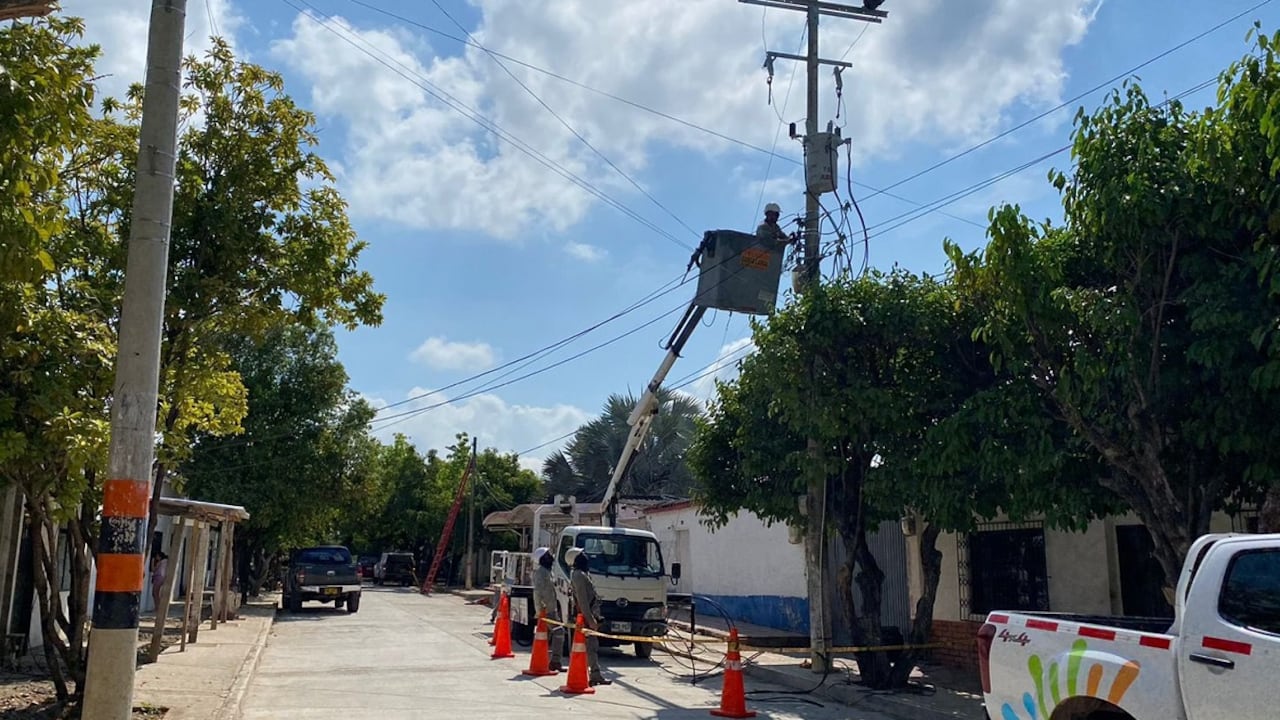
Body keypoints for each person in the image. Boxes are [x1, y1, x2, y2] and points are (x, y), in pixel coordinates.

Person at [566, 547, 611, 686]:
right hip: (587, 617)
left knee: (592, 646)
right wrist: (590, 620)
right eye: (581, 555)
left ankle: (594, 673)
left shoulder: (583, 574)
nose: (585, 556)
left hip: (591, 614)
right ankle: (594, 674)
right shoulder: (578, 575)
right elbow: (582, 600)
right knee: (591, 647)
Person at [531, 547, 564, 672]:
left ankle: (551, 660)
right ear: (543, 558)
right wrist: (540, 611)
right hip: (548, 610)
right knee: (559, 632)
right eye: (548, 555)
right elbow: (538, 592)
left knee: (552, 634)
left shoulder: (547, 572)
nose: (551, 557)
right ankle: (555, 661)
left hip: (551, 608)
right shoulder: (541, 573)